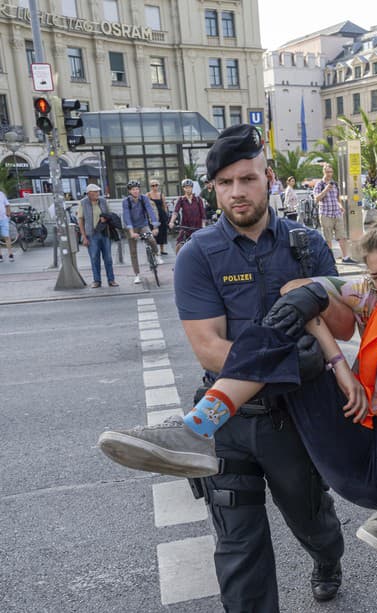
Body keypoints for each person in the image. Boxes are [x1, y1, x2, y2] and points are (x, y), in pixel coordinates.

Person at [98, 216, 377, 561]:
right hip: (364, 454)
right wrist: (338, 363)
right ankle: (199, 426)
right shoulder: (368, 294)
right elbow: (294, 290)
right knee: (294, 314)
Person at [99, 125, 345, 608]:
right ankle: (193, 431)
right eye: (226, 182)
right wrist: (290, 361)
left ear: (268, 178)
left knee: (311, 521)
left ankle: (327, 558)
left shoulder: (306, 242)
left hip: (295, 419)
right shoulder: (198, 254)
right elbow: (209, 349)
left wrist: (318, 291)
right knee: (238, 547)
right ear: (213, 187)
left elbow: (344, 329)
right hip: (231, 422)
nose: (238, 192)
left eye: (248, 179)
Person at [77, 184, 118, 288]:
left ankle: (111, 280)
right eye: (94, 192)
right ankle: (97, 280)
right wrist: (84, 237)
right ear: (89, 194)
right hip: (91, 235)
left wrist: (106, 218)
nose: (97, 194)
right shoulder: (83, 203)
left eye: (98, 192)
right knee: (94, 258)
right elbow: (80, 220)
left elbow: (110, 215)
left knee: (108, 258)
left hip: (105, 233)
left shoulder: (103, 201)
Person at [314, 164, 357, 263]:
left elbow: (337, 197)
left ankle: (345, 257)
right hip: (326, 214)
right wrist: (326, 189)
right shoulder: (319, 184)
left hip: (337, 214)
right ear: (323, 172)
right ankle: (330, 259)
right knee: (328, 238)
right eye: (327, 172)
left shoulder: (335, 184)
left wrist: (340, 206)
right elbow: (316, 199)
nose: (329, 174)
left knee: (342, 236)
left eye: (331, 172)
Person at [122, 180, 161, 284]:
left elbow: (150, 211)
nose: (136, 191)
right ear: (129, 191)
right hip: (132, 227)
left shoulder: (144, 198)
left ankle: (157, 254)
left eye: (137, 189)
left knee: (151, 239)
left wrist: (155, 226)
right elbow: (127, 216)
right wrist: (131, 232)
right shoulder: (126, 201)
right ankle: (137, 275)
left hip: (143, 224)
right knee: (133, 251)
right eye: (133, 189)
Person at [169, 179, 206, 254]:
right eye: (186, 187)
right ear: (183, 188)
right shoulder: (181, 199)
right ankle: (178, 263)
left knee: (202, 246)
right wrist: (171, 221)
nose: (188, 189)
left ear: (192, 188)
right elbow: (176, 211)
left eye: (189, 187)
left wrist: (203, 226)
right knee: (179, 244)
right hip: (185, 227)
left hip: (197, 227)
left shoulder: (198, 199)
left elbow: (203, 214)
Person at [146, 179, 169, 255]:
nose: (154, 187)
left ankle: (162, 250)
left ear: (158, 186)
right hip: (153, 216)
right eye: (153, 185)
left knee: (162, 232)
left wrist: (166, 215)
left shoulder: (161, 194)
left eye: (156, 185)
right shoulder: (148, 195)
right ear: (150, 186)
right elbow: (146, 206)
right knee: (153, 233)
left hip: (161, 215)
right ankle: (154, 250)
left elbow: (164, 206)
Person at [0, 189, 12, 262]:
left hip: (3, 218)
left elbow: (7, 205)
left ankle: (10, 254)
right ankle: (0, 255)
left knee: (6, 236)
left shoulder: (1, 194)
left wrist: (8, 214)